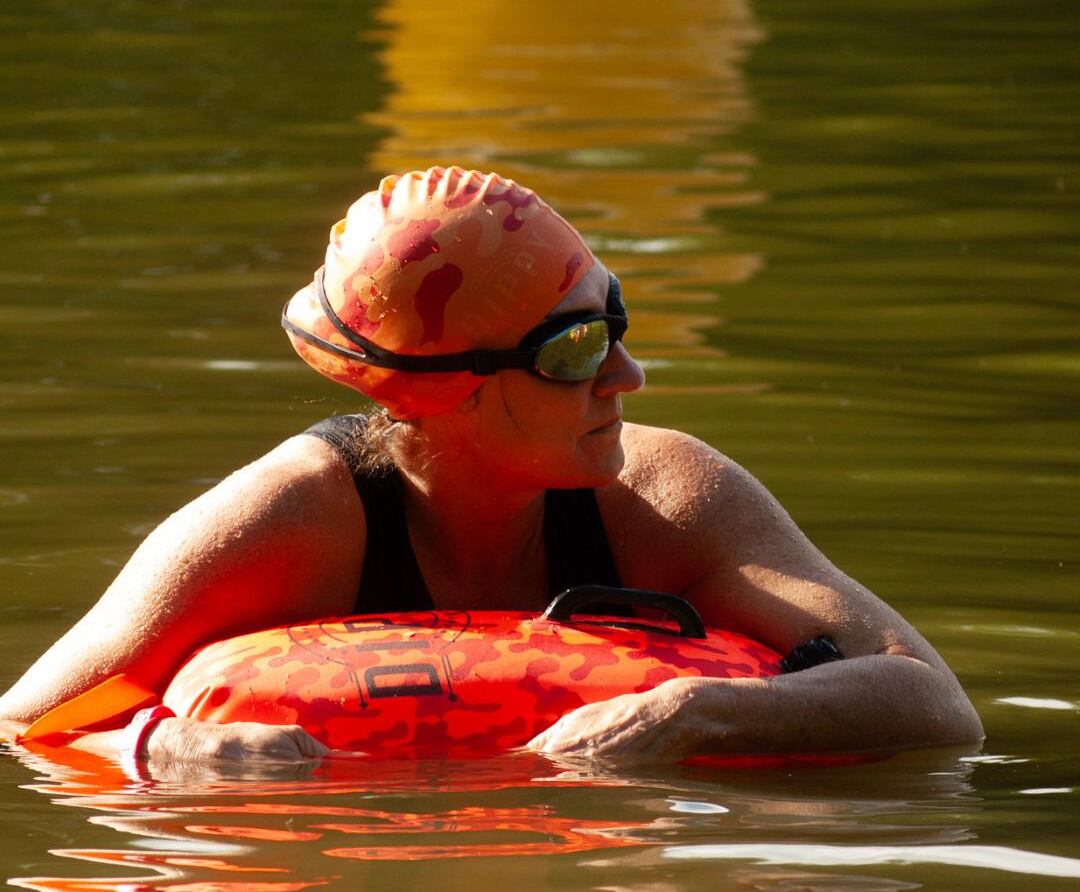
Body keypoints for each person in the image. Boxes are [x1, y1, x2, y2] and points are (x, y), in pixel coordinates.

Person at [0, 166, 983, 764]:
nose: (629, 377)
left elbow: (936, 707)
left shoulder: (670, 496)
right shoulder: (290, 523)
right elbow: (24, 729)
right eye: (574, 350)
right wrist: (153, 745)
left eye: (617, 322)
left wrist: (704, 710)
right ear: (436, 391)